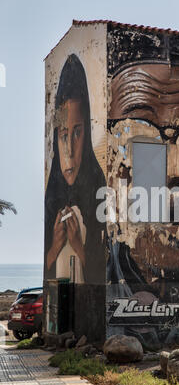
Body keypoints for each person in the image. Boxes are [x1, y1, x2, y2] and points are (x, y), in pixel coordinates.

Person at [44, 54, 106, 285]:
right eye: (63, 136)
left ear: (88, 134)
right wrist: (54, 247)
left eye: (77, 133)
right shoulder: (52, 194)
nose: (69, 150)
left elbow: (108, 275)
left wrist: (80, 246)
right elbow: (50, 269)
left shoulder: (101, 189)